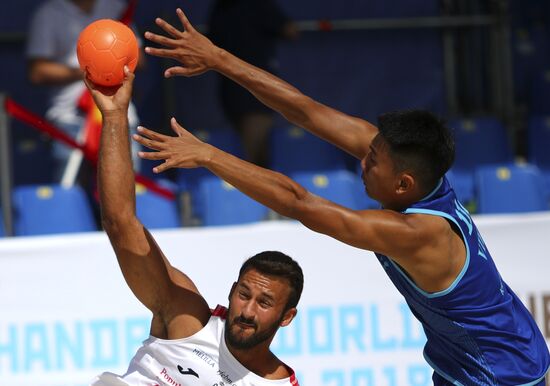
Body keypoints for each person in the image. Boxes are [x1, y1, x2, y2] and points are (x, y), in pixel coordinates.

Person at [135, 8, 550, 385]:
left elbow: (300, 203)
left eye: (372, 161)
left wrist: (208, 155)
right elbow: (305, 110)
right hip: (469, 360)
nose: (362, 160)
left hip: (503, 374)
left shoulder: (419, 232)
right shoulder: (419, 173)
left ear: (403, 185)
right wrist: (218, 58)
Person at [84, 67, 303, 386]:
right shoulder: (188, 319)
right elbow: (119, 223)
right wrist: (116, 114)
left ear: (287, 317)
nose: (247, 310)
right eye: (244, 294)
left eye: (264, 303)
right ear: (232, 291)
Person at [26, 0, 142, 183]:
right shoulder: (48, 13)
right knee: (70, 186)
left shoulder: (115, 7)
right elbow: (37, 72)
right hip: (70, 118)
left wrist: (110, 63)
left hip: (121, 113)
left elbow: (139, 59)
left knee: (128, 186)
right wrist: (91, 70)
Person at [207, 0, 298, 167]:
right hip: (256, 91)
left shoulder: (220, 8)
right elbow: (290, 30)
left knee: (252, 154)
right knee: (255, 159)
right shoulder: (257, 4)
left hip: (234, 90)